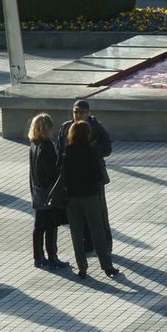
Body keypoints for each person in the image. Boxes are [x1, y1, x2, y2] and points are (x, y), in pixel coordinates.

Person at [62, 121, 119, 280]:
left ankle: (82, 267)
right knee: (97, 230)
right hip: (91, 197)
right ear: (87, 134)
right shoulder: (92, 151)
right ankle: (107, 266)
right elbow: (97, 175)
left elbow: (63, 175)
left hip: (72, 198)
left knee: (76, 232)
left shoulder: (67, 151)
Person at [57, 100, 113, 253]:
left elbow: (107, 148)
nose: (78, 115)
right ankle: (87, 245)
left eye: (82, 112)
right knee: (78, 215)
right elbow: (60, 150)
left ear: (88, 113)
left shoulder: (95, 127)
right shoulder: (66, 127)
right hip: (73, 180)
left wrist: (91, 151)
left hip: (93, 179)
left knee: (99, 214)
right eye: (76, 112)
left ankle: (106, 246)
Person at [28, 113, 70, 270]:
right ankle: (52, 257)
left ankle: (38, 257)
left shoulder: (34, 144)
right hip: (48, 192)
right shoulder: (47, 146)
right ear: (47, 128)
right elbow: (52, 171)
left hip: (38, 191)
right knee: (51, 226)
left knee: (39, 227)